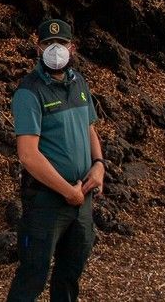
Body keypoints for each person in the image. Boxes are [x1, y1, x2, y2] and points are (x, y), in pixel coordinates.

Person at [6, 18, 105, 302]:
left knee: (69, 275)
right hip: (47, 203)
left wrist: (99, 165)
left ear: (72, 47)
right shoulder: (29, 91)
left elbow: (90, 129)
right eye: (48, 44)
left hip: (82, 198)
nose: (55, 49)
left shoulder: (79, 84)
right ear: (38, 48)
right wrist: (67, 191)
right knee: (32, 276)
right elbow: (28, 154)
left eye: (60, 43)